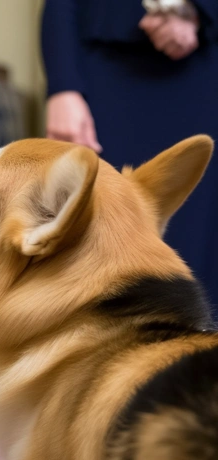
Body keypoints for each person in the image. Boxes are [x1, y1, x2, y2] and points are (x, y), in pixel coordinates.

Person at [42, 0, 218, 310]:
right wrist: (63, 87)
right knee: (102, 243)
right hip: (105, 72)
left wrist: (201, 10)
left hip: (204, 73)